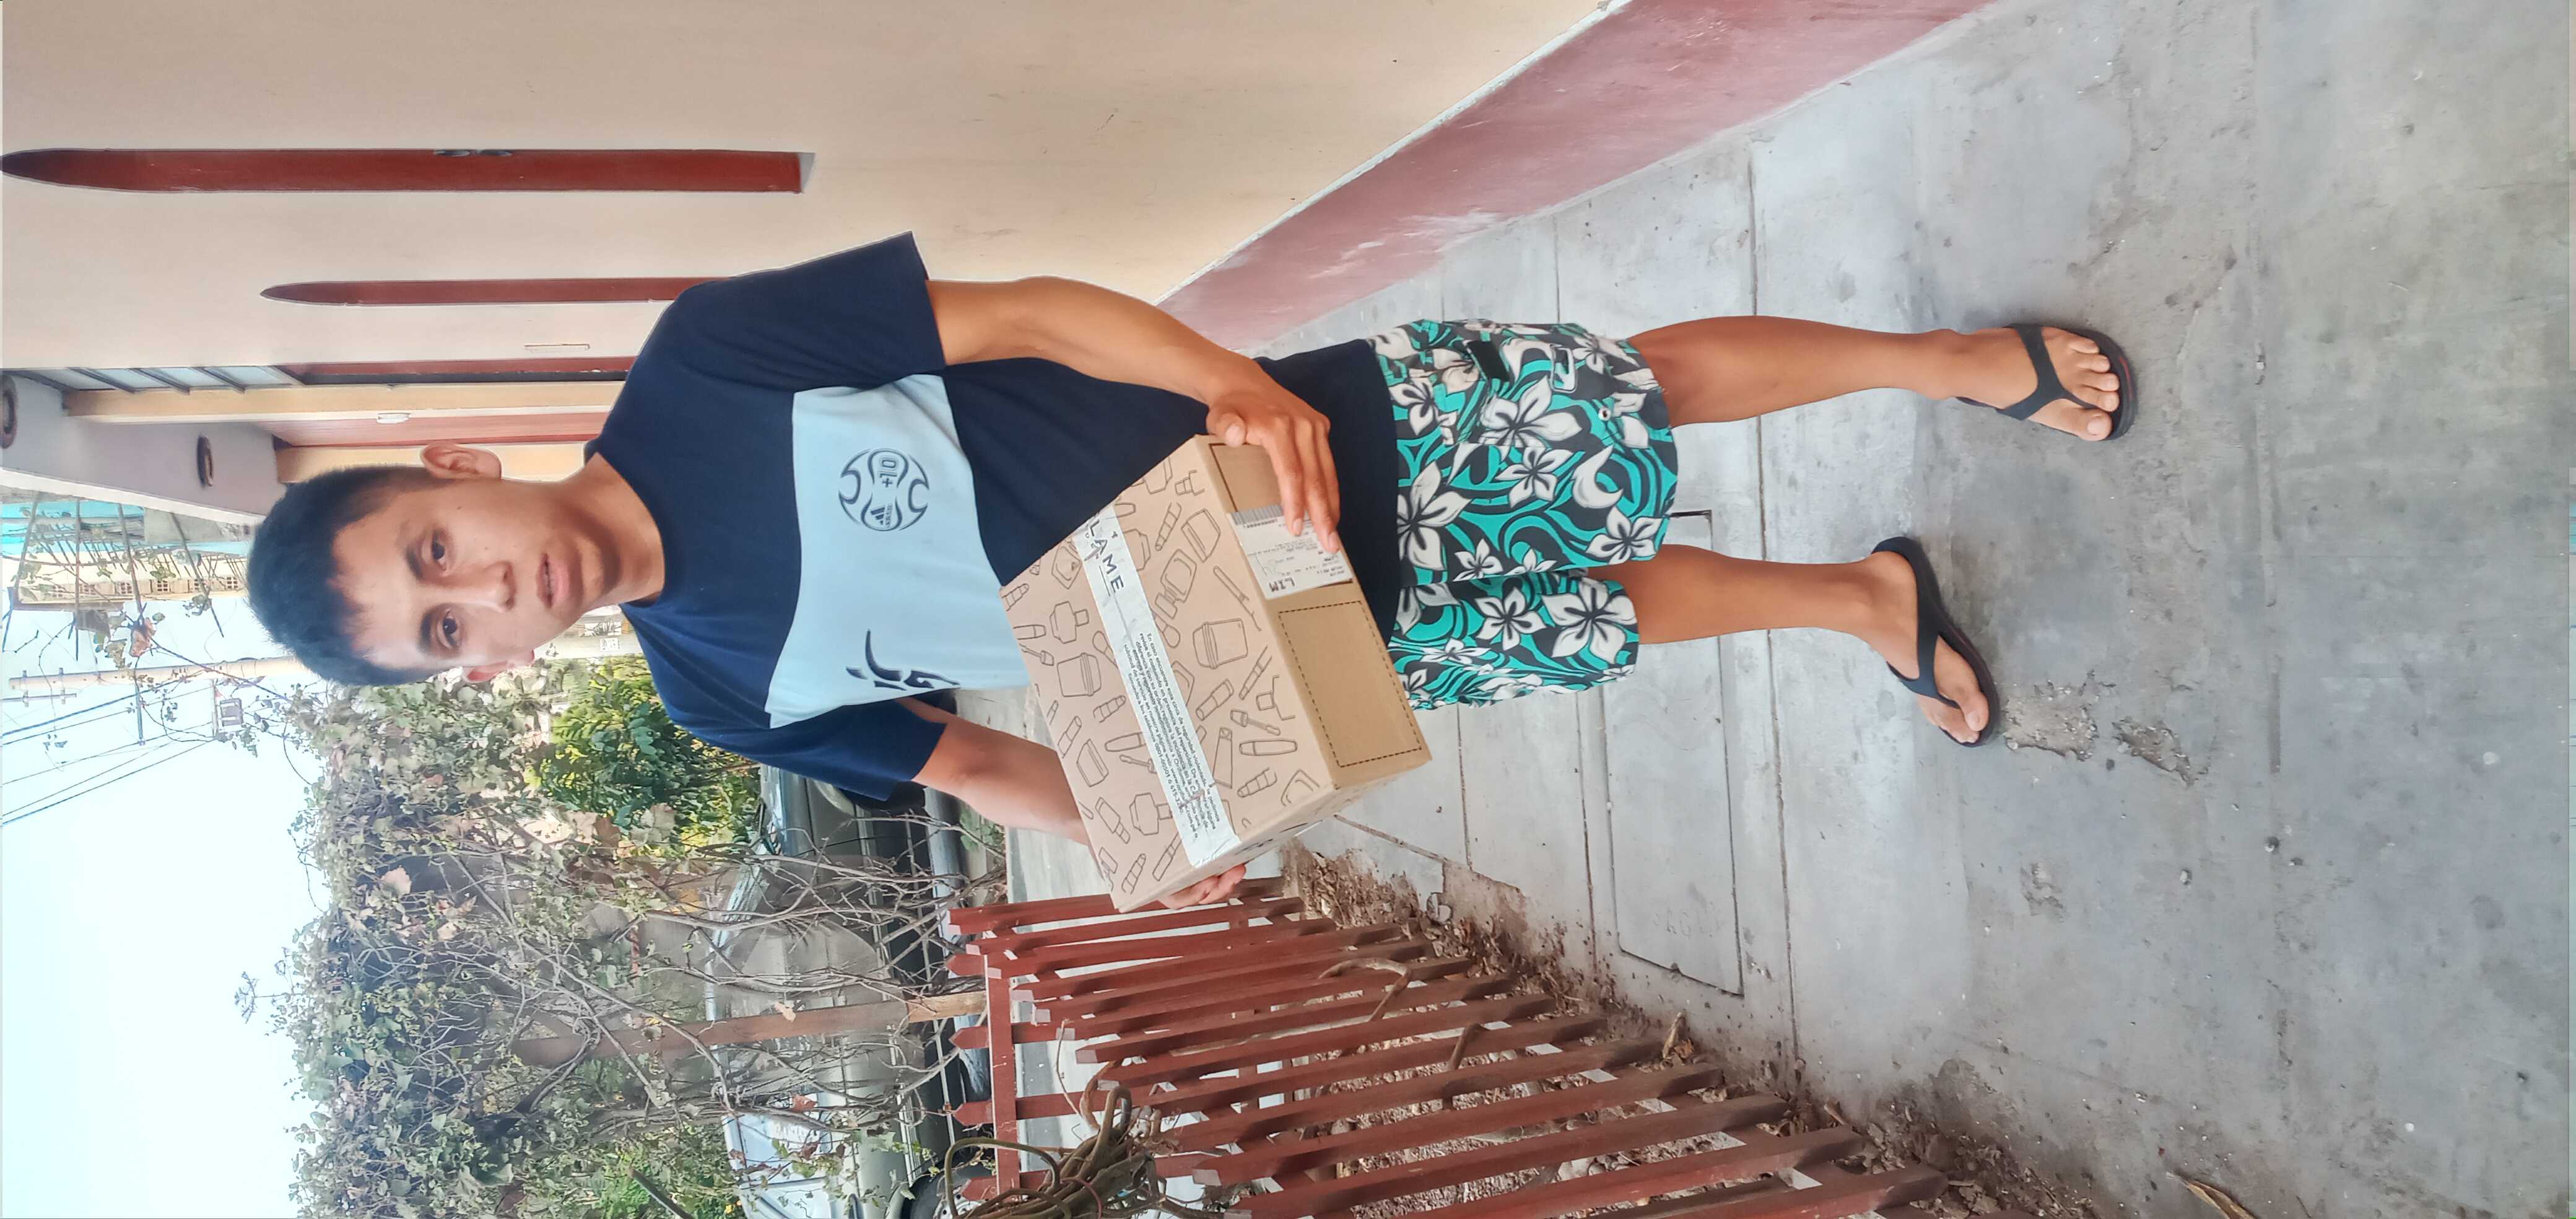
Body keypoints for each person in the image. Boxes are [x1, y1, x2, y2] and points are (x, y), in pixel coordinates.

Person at [247, 234, 2128, 907]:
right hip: (1271, 642)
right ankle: (1863, 601)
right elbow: (977, 763)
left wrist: (1235, 382)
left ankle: (1948, 362)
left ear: (455, 469)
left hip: (1289, 449)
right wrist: (1159, 828)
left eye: (438, 550)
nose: (484, 593)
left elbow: (1026, 313)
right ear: (477, 671)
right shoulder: (714, 690)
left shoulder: (706, 362)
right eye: (443, 627)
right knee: (1597, 618)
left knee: (1629, 394)